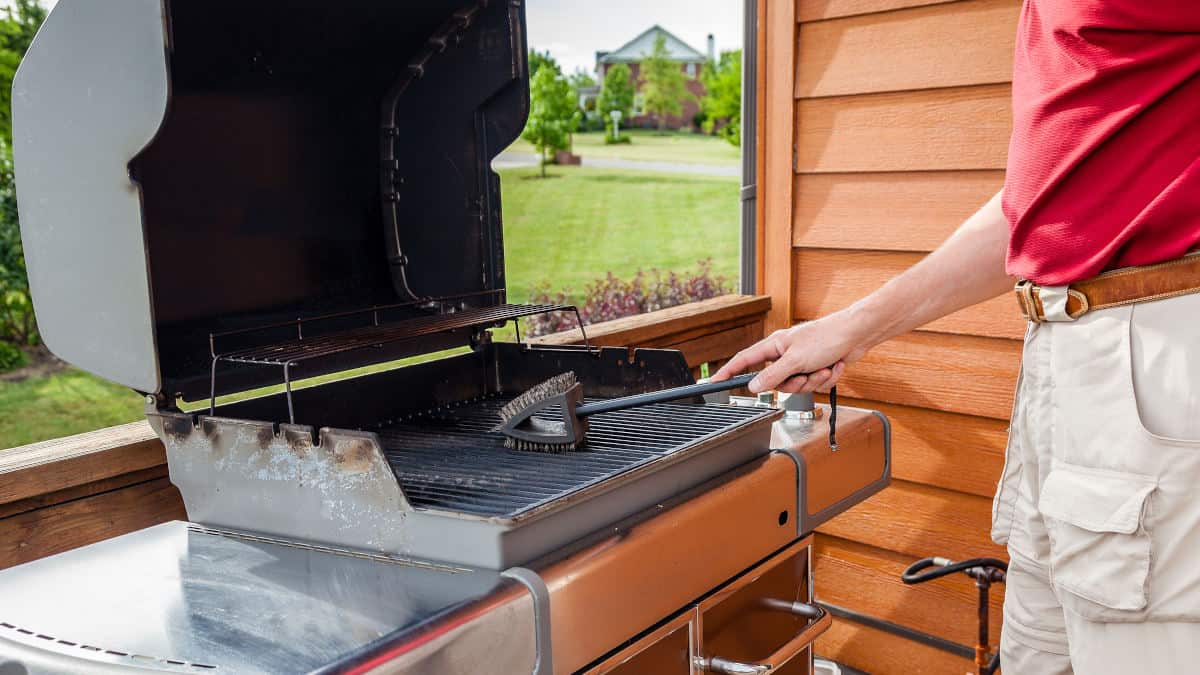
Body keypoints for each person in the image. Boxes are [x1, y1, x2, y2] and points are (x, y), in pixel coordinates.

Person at [712, 1, 1200, 672]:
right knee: (1035, 653)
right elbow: (1032, 213)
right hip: (1061, 354)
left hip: (1153, 350)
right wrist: (848, 330)